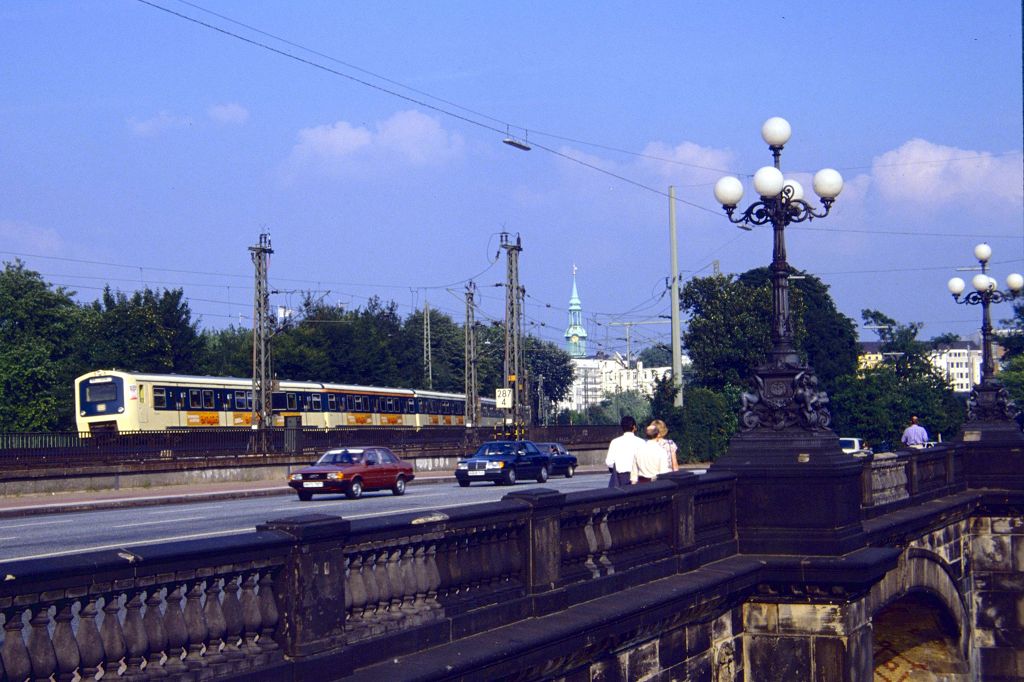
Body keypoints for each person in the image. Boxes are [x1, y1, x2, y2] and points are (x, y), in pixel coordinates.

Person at [606, 415, 643, 487]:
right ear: (634, 427)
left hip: (620, 478)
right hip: (637, 477)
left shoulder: (615, 442)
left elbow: (609, 462)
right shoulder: (641, 442)